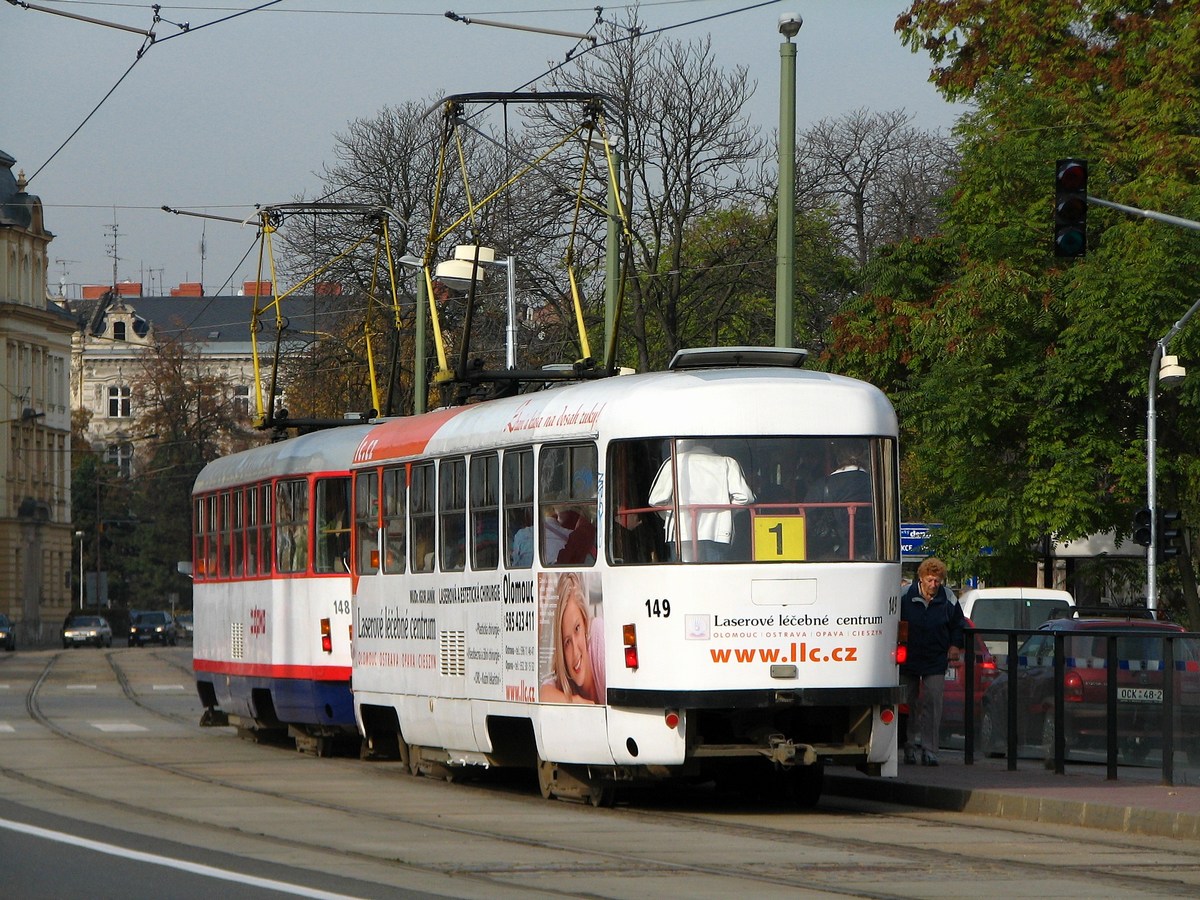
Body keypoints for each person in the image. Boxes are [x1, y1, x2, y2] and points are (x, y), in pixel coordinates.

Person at [900, 557, 964, 766]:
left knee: (933, 704)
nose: (933, 585)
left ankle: (929, 750)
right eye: (929, 580)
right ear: (921, 578)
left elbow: (958, 625)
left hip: (936, 658)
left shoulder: (949, 598)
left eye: (937, 581)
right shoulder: (904, 596)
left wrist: (955, 646)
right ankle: (908, 747)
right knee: (906, 704)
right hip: (908, 657)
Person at [647, 440, 754, 561]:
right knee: (715, 576)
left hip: (681, 532)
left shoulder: (674, 462)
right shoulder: (727, 463)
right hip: (717, 533)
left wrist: (671, 515)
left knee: (682, 575)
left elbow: (655, 500)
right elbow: (745, 497)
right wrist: (727, 512)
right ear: (714, 443)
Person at [540, 572, 605, 704]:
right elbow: (543, 694)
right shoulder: (566, 676)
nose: (575, 652)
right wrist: (576, 701)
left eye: (577, 629)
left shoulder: (597, 635)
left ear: (585, 623)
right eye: (567, 642)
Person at [805, 441, 875, 560]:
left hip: (835, 553)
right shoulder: (879, 485)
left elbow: (805, 518)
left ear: (837, 459)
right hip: (874, 553)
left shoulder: (822, 486)